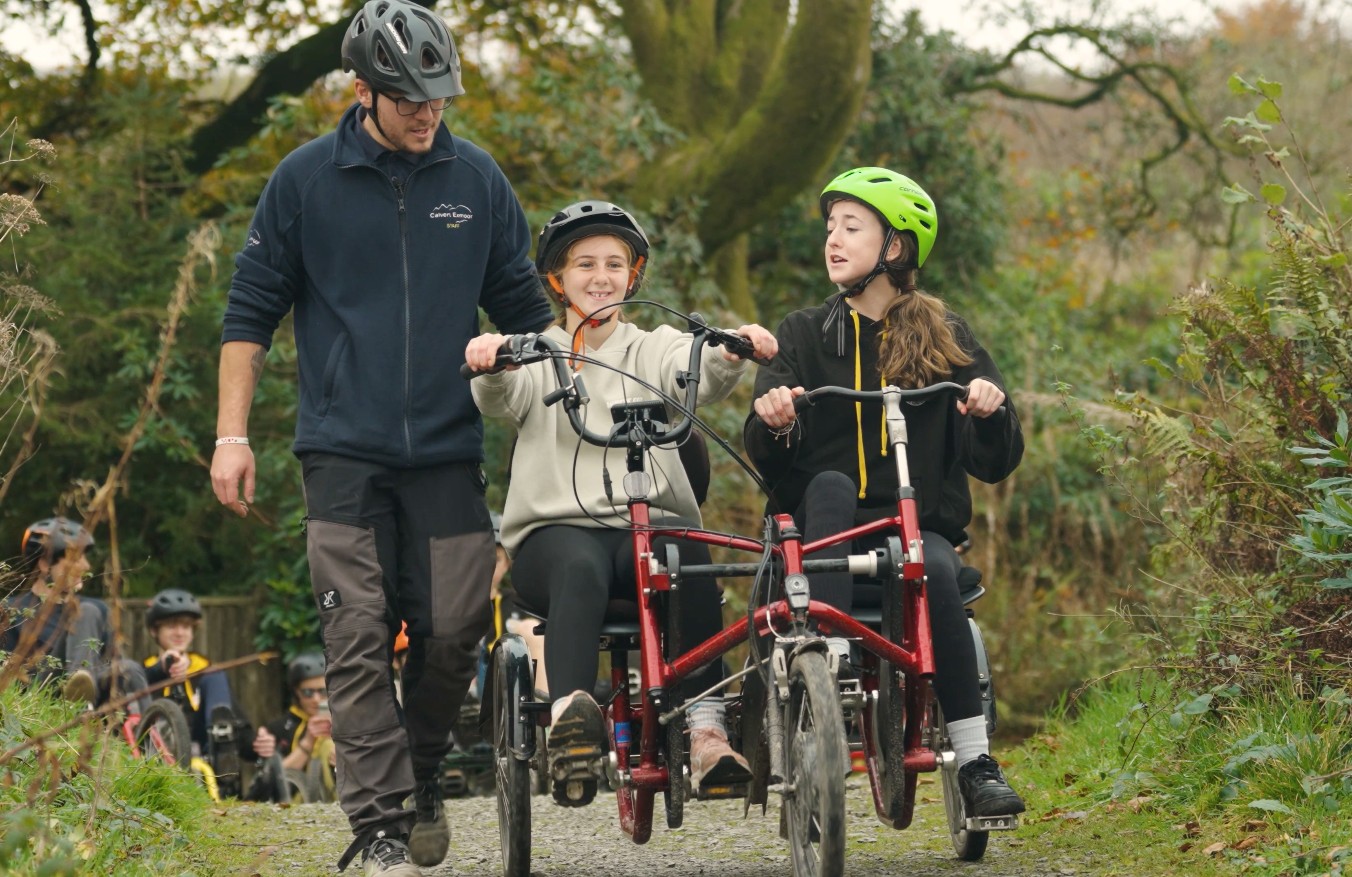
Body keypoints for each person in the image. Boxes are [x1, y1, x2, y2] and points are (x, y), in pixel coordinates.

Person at [208, 0, 553, 871]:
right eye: (409, 99)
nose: (428, 113)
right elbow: (248, 313)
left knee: (452, 634)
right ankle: (380, 830)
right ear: (363, 89)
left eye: (439, 96)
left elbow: (529, 318)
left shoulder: (476, 182)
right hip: (342, 455)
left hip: (447, 454)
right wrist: (231, 435)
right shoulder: (303, 183)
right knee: (356, 639)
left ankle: (423, 771)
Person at [464, 200, 778, 795]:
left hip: (647, 528)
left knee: (689, 558)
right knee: (580, 564)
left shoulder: (650, 347)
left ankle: (707, 734)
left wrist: (730, 349)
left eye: (615, 263)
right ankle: (571, 724)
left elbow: (696, 364)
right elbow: (500, 394)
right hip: (553, 538)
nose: (601, 276)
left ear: (633, 276)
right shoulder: (538, 351)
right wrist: (490, 359)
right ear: (557, 279)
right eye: (585, 264)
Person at [745, 167, 1027, 819]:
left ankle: (975, 759)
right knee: (833, 483)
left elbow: (997, 459)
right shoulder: (804, 334)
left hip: (914, 531)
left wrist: (988, 407)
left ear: (895, 248)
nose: (833, 240)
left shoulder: (945, 337)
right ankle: (831, 673)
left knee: (937, 566)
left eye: (852, 227)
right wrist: (776, 418)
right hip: (823, 536)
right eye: (829, 228)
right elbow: (763, 451)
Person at [0, 517, 148, 713]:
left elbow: (112, 663)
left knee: (129, 668)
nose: (86, 566)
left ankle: (149, 740)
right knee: (84, 611)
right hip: (42, 698)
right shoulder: (12, 610)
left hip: (95, 694)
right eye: (75, 558)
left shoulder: (99, 610)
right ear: (44, 563)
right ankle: (78, 687)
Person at [143, 587, 248, 763]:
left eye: (186, 626)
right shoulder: (144, 670)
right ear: (154, 630)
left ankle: (222, 747)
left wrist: (258, 742)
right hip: (157, 750)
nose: (179, 633)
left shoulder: (207, 673)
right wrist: (162, 668)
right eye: (171, 626)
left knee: (215, 675)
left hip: (202, 749)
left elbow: (243, 731)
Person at [249, 652, 334, 799]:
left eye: (322, 691)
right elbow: (264, 787)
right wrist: (307, 743)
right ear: (296, 692)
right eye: (307, 692)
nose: (316, 699)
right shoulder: (279, 728)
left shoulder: (349, 721)